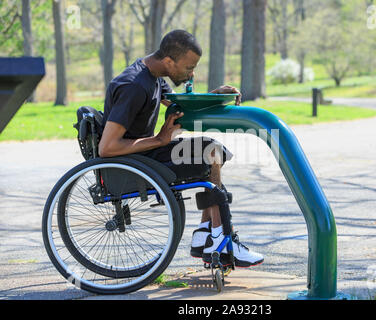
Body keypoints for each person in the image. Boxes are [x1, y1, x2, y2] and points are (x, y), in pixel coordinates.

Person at [99, 29, 263, 268]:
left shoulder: (152, 76)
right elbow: (107, 147)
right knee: (208, 155)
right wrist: (159, 139)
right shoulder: (133, 86)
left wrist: (215, 96)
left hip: (144, 155)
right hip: (133, 164)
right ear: (168, 61)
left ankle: (206, 234)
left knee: (211, 150)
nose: (192, 73)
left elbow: (180, 103)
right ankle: (219, 238)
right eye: (188, 68)